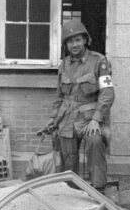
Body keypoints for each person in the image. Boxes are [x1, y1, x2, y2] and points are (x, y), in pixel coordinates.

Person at [47, 20, 115, 194]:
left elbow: (107, 93)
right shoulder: (64, 65)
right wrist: (53, 119)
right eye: (70, 41)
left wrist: (96, 120)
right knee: (67, 159)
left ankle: (98, 190)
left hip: (90, 118)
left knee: (95, 142)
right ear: (66, 45)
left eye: (77, 40)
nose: (74, 44)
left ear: (85, 40)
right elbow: (60, 96)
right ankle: (70, 192)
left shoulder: (99, 61)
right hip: (68, 118)